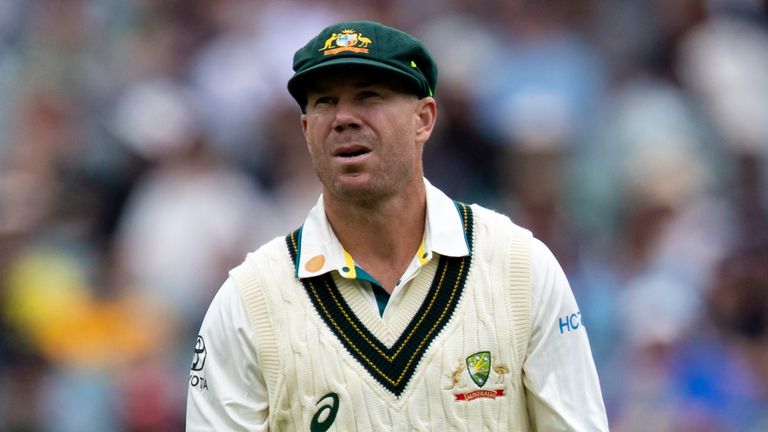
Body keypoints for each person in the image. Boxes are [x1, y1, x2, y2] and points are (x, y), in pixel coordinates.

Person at [186, 20, 609, 431]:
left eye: (369, 96)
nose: (343, 119)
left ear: (423, 119)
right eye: (324, 102)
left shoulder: (521, 268)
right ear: (305, 129)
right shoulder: (248, 302)